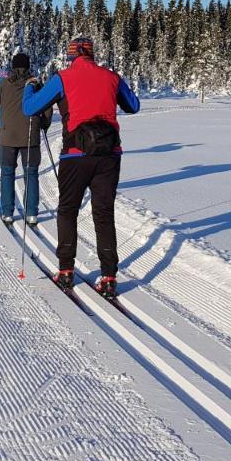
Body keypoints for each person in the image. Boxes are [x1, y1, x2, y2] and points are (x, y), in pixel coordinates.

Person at [22, 36, 140, 298]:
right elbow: (133, 106)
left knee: (67, 210)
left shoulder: (62, 78)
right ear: (92, 54)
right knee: (103, 214)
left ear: (72, 55)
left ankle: (66, 271)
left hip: (75, 154)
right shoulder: (111, 77)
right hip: (109, 155)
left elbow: (30, 108)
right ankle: (109, 276)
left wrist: (30, 87)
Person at [0, 53, 52, 225]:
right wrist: (43, 124)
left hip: (7, 136)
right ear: (28, 66)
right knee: (31, 174)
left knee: (7, 173)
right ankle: (31, 214)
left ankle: (7, 213)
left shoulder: (3, 84)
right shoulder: (35, 84)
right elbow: (48, 107)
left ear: (13, 67)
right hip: (30, 135)